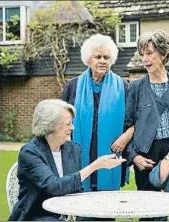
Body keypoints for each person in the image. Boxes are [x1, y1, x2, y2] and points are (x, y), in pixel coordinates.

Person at [8, 99, 126, 221]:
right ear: (51, 126)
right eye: (68, 124)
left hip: (66, 213)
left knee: (103, 217)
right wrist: (94, 166)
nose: (72, 127)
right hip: (36, 215)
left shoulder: (74, 149)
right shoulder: (30, 152)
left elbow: (76, 190)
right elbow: (53, 186)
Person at [61, 33, 134, 192]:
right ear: (88, 59)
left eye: (106, 57)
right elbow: (60, 120)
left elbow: (135, 121)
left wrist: (125, 137)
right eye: (97, 56)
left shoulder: (123, 86)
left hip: (111, 151)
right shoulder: (73, 86)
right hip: (79, 154)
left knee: (108, 209)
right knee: (82, 209)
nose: (102, 61)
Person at [125, 30, 169, 191]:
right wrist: (134, 156)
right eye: (142, 54)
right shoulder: (135, 88)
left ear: (163, 54)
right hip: (147, 156)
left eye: (149, 53)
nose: (144, 59)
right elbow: (127, 126)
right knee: (149, 210)